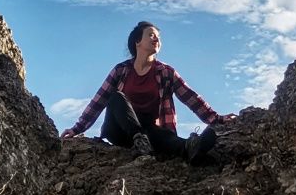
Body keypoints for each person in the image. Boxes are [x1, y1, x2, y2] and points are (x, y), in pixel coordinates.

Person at [61, 21, 226, 163]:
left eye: (158, 37)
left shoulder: (166, 72)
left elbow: (190, 97)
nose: (157, 39)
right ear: (137, 41)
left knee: (161, 135)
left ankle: (192, 150)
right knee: (116, 97)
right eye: (151, 35)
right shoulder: (121, 71)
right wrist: (76, 129)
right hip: (119, 131)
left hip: (150, 131)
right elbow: (98, 102)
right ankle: (140, 139)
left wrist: (216, 119)